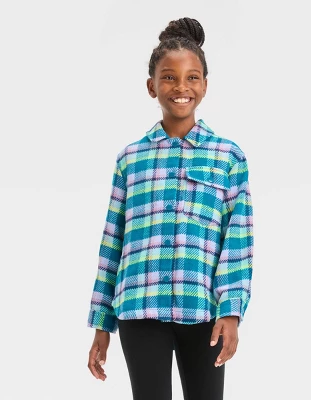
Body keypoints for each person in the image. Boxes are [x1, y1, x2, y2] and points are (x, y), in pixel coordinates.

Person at [86, 17, 254, 400]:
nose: (181, 87)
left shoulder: (228, 157)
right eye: (169, 78)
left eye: (192, 77)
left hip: (203, 310)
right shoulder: (130, 159)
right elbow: (112, 243)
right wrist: (101, 323)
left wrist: (231, 310)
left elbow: (238, 241)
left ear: (205, 85)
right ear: (152, 86)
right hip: (139, 308)